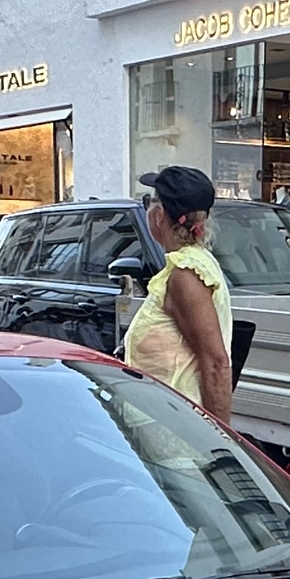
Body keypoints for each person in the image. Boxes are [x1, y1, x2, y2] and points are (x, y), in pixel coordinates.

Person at [123, 165, 234, 428]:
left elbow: (216, 364)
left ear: (159, 214)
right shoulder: (190, 264)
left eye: (149, 202)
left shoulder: (186, 275)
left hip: (176, 438)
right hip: (168, 427)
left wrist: (222, 443)